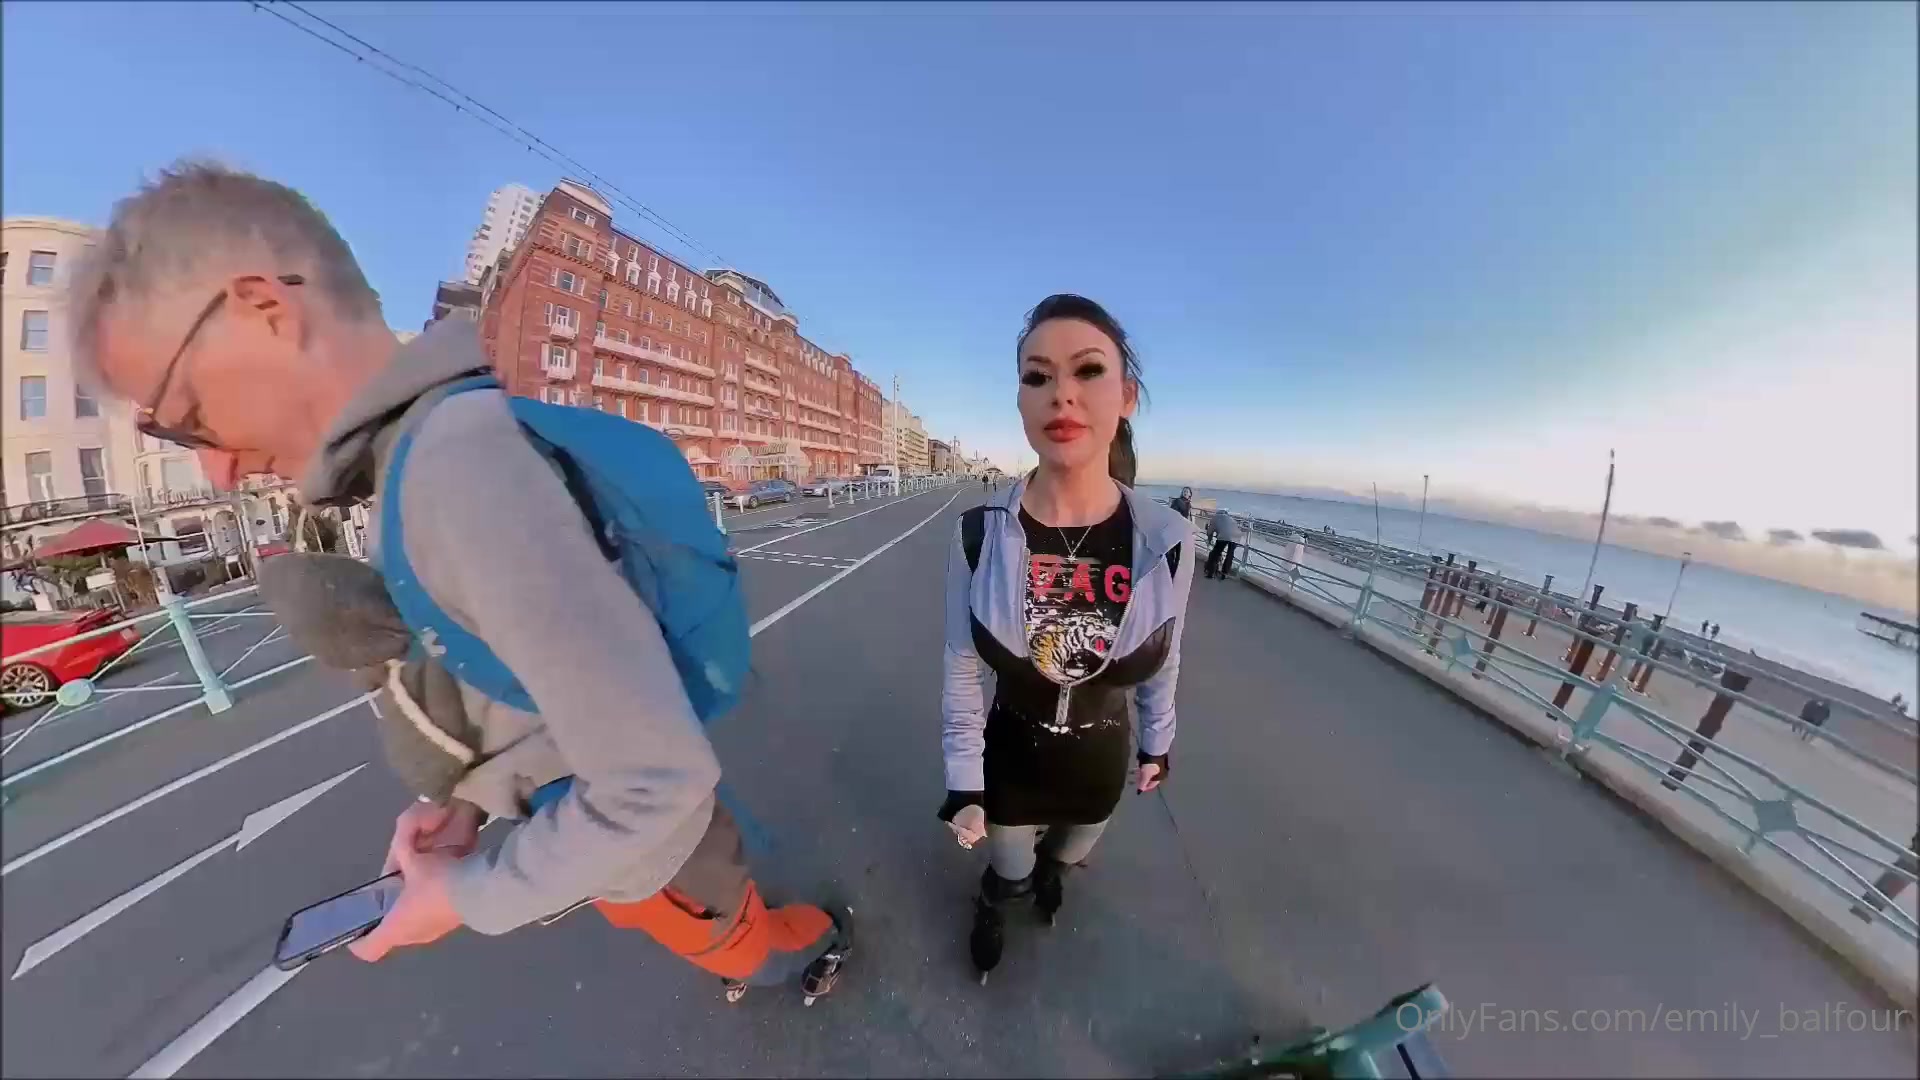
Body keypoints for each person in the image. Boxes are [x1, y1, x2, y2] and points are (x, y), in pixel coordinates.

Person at [67, 161, 848, 1004]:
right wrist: (468, 806)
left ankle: (808, 948)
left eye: (187, 418)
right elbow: (509, 676)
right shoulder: (414, 466)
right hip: (593, 834)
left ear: (265, 310)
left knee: (731, 939)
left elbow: (655, 781)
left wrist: (466, 897)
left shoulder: (454, 471)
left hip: (643, 848)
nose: (216, 470)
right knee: (696, 912)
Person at [938, 293, 1195, 982]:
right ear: (1022, 402)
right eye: (1037, 376)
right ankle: (995, 904)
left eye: (1087, 370)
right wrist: (964, 784)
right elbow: (961, 667)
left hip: (1099, 761)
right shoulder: (979, 534)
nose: (1062, 395)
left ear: (1126, 396)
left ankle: (1048, 881)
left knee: (1064, 861)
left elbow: (1166, 657)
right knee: (1010, 871)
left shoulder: (1168, 540)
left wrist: (1157, 744)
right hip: (1010, 756)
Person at [1205, 506, 1242, 579]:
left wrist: (1209, 540)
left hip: (1224, 536)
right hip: (1236, 537)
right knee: (1230, 554)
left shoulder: (1215, 518)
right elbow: (1229, 529)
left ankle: (1210, 573)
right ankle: (1225, 573)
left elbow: (1209, 532)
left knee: (1215, 553)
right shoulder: (1230, 519)